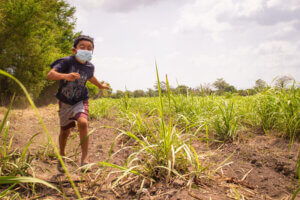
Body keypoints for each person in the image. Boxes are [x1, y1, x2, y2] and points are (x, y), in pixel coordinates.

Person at [47, 35, 110, 172]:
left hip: (81, 100)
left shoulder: (89, 67)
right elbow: (50, 75)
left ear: (92, 52)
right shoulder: (66, 62)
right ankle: (62, 156)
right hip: (65, 101)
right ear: (74, 50)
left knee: (83, 122)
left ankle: (85, 160)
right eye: (82, 47)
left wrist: (100, 86)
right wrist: (65, 76)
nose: (86, 50)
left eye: (89, 48)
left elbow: (90, 77)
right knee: (65, 131)